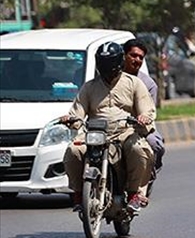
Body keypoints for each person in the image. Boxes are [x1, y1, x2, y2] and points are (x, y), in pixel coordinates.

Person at [60, 42, 156, 213]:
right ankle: (77, 192)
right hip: (95, 133)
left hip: (125, 132)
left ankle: (135, 193)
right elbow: (78, 112)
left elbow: (147, 108)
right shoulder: (89, 87)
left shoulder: (134, 83)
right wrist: (71, 118)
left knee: (139, 150)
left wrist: (143, 117)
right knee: (73, 151)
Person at [123, 38, 166, 177]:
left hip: (139, 128)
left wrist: (143, 118)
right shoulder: (111, 77)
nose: (137, 60)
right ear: (124, 55)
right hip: (113, 126)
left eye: (140, 57)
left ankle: (147, 177)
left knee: (154, 144)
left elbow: (149, 111)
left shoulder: (148, 84)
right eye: (133, 55)